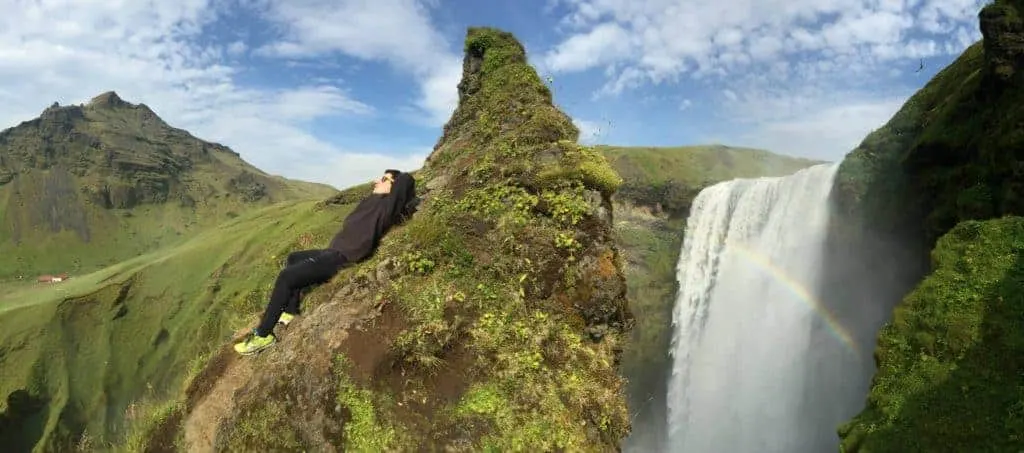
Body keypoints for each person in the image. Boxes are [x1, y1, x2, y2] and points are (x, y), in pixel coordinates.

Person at [234, 169, 418, 355]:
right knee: (293, 258)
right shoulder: (373, 201)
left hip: (342, 257)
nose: (376, 181)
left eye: (384, 179)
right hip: (331, 252)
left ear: (395, 187)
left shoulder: (388, 207)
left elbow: (407, 180)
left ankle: (263, 335)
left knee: (286, 277)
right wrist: (385, 182)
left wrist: (398, 178)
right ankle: (290, 311)